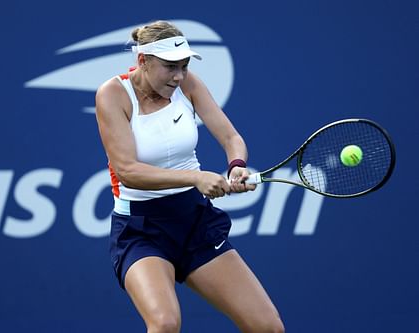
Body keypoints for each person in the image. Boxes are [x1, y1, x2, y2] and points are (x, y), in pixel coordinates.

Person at [95, 20, 284, 333]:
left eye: (183, 66)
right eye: (170, 67)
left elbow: (230, 136)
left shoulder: (187, 85)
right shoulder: (113, 94)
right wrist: (195, 179)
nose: (179, 76)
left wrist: (236, 164)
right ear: (143, 61)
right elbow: (127, 171)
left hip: (195, 222)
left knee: (268, 328)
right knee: (165, 324)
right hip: (141, 231)